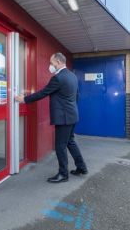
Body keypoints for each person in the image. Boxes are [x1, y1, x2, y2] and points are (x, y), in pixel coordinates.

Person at [15, 52, 88, 183]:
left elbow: (43, 93)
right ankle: (81, 167)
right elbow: (76, 96)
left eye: (51, 62)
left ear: (59, 62)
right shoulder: (72, 76)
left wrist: (24, 99)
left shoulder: (58, 78)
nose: (50, 65)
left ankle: (63, 174)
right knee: (70, 141)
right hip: (72, 115)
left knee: (60, 145)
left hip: (64, 117)